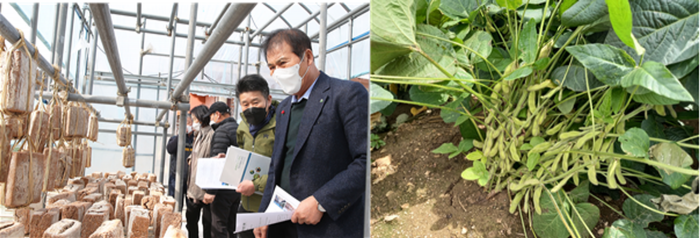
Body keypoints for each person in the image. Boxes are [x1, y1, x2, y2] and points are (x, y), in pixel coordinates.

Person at [253, 28, 367, 238]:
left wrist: (321, 201)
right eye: (271, 67)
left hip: (327, 227)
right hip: (282, 225)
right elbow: (276, 166)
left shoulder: (346, 95)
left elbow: (365, 161)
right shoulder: (284, 108)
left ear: (307, 57)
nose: (275, 72)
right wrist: (263, 213)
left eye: (282, 63)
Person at [233, 74, 279, 238]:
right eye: (245, 104)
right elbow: (242, 153)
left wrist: (256, 184)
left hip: (270, 208)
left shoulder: (280, 125)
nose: (250, 108)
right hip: (246, 204)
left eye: (255, 102)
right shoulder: (243, 126)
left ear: (268, 99)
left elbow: (285, 167)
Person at [204, 101, 240, 237]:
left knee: (219, 227)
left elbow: (218, 162)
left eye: (211, 116)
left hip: (223, 188)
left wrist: (211, 191)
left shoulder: (221, 131)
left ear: (217, 115)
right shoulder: (239, 129)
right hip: (237, 187)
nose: (211, 120)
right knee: (232, 227)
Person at [186, 105, 215, 238]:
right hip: (194, 185)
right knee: (191, 222)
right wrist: (190, 159)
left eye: (194, 119)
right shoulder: (199, 134)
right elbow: (196, 154)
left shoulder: (211, 135)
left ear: (201, 118)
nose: (193, 122)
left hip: (205, 188)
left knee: (207, 224)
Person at [166, 113, 194, 211]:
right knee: (175, 207)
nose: (187, 125)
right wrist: (180, 135)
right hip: (176, 177)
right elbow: (170, 149)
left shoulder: (196, 139)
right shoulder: (175, 138)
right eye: (183, 123)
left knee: (192, 209)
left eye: (189, 123)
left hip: (191, 180)